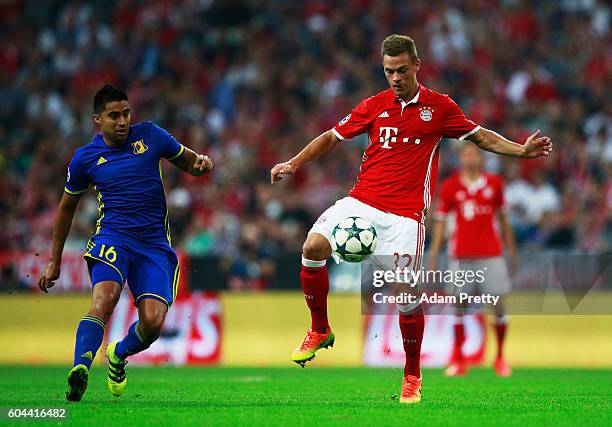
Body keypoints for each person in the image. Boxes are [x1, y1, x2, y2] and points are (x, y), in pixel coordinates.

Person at [270, 34, 551, 404]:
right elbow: (332, 137)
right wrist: (294, 162)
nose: (396, 78)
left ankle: (412, 376)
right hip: (362, 201)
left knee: (405, 295)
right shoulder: (374, 105)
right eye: (389, 71)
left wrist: (521, 150)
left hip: (405, 217)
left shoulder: (440, 108)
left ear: (417, 66)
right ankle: (320, 328)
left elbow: (481, 137)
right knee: (312, 246)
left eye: (402, 70)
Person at [37, 85, 213, 402]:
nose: (123, 121)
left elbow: (190, 162)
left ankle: (118, 353)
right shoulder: (85, 159)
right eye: (114, 115)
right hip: (113, 238)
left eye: (126, 113)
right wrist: (55, 260)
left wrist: (200, 164)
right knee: (104, 300)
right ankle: (80, 368)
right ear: (97, 119)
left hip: (154, 245)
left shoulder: (151, 135)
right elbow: (66, 208)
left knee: (153, 323)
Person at [428, 143, 516, 377]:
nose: (470, 158)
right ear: (460, 159)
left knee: (497, 305)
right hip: (460, 255)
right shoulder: (449, 186)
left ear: (481, 158)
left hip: (491, 254)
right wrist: (434, 254)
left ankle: (499, 357)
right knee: (458, 306)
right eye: (466, 154)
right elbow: (440, 223)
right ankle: (458, 358)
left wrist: (512, 249)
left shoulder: (495, 184)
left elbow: (504, 220)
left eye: (474, 154)